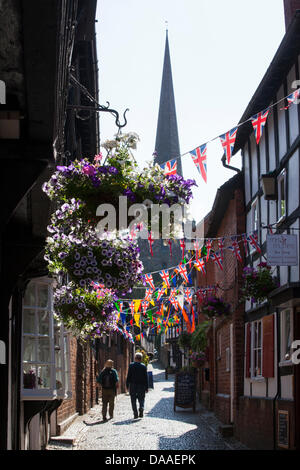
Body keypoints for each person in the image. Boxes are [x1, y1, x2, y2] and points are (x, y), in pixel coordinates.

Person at [126, 351, 148, 419]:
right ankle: (141, 407)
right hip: (141, 385)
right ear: (141, 359)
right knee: (141, 398)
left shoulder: (131, 365)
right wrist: (146, 387)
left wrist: (127, 385)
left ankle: (135, 413)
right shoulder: (143, 366)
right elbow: (145, 378)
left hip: (133, 385)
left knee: (133, 399)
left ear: (135, 358)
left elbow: (129, 375)